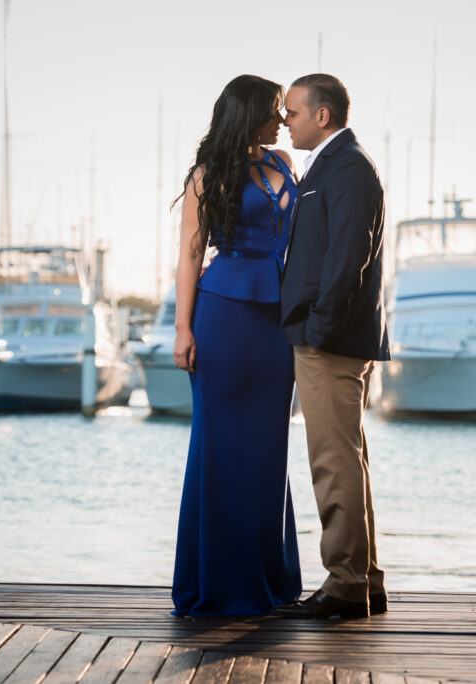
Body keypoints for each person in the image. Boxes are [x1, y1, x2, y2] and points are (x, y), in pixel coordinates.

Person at [170, 74, 303, 616]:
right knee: (219, 449)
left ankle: (269, 581)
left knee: (269, 451)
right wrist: (183, 330)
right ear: (248, 113)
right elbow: (189, 255)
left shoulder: (284, 164)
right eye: (275, 110)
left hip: (277, 322)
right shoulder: (208, 175)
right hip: (222, 317)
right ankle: (221, 586)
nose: (283, 120)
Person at [273, 74, 390, 620]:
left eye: (293, 113)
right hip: (335, 336)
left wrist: (317, 329)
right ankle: (363, 578)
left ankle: (345, 584)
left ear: (322, 115)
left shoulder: (348, 168)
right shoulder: (337, 165)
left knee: (332, 460)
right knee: (347, 456)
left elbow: (348, 258)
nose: (285, 122)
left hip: (331, 341)